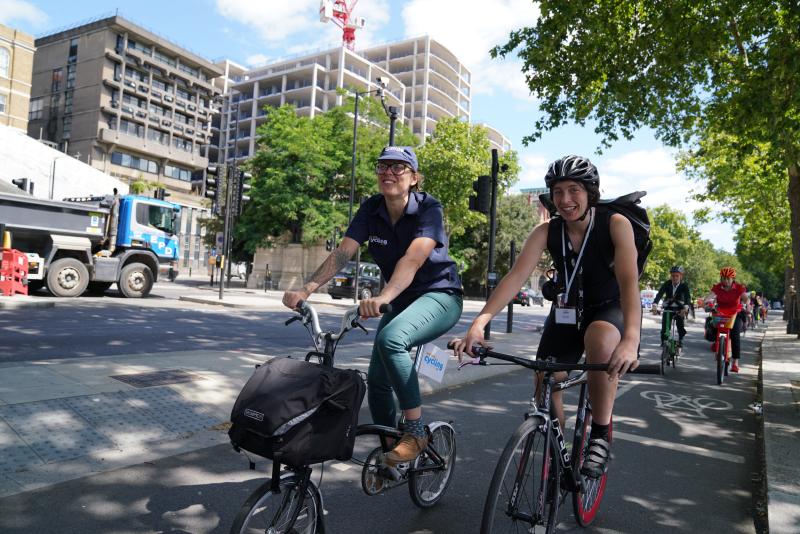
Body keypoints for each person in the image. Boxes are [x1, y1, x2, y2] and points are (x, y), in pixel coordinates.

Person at [451, 155, 641, 479]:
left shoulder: (614, 224)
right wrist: (478, 323)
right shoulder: (547, 231)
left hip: (610, 307)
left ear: (590, 191)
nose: (565, 200)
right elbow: (514, 278)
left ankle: (599, 433)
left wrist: (631, 340)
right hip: (568, 311)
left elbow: (628, 283)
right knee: (544, 377)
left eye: (574, 190)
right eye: (557, 192)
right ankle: (557, 449)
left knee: (600, 339)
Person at [282, 146, 463, 467]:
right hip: (399, 301)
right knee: (377, 380)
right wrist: (306, 289)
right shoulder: (371, 208)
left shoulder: (428, 208)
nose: (389, 173)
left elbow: (414, 258)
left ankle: (416, 430)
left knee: (390, 340)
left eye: (398, 167)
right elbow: (343, 252)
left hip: (440, 296)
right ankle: (390, 453)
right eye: (383, 166)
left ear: (414, 178)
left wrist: (383, 297)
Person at [710, 267, 749, 372]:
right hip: (720, 313)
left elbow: (745, 298)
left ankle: (735, 363)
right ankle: (717, 343)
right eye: (723, 278)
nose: (725, 281)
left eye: (728, 278)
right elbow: (710, 296)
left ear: (733, 279)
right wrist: (705, 302)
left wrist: (747, 304)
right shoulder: (718, 287)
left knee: (735, 335)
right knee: (712, 324)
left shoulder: (739, 288)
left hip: (735, 313)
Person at [651, 266, 692, 346]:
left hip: (680, 308)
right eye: (673, 276)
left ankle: (681, 339)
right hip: (668, 307)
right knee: (665, 327)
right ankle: (664, 342)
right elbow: (659, 294)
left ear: (681, 276)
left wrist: (686, 307)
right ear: (670, 276)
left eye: (677, 276)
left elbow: (688, 297)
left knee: (680, 325)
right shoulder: (667, 283)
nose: (675, 278)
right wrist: (655, 305)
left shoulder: (684, 285)